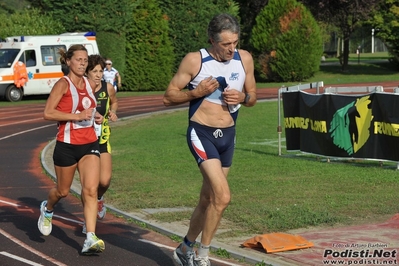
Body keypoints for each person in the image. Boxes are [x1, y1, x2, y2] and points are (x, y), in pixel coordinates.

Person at [163, 13, 257, 266]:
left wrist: (243, 99)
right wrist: (195, 92)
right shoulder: (196, 60)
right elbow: (168, 96)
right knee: (223, 197)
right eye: (226, 44)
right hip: (201, 133)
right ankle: (204, 255)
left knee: (208, 199)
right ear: (212, 41)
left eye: (235, 42)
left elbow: (253, 96)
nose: (231, 48)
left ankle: (185, 248)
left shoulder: (244, 58)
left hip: (228, 135)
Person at [38, 44, 105, 255]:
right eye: (78, 59)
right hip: (66, 146)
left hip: (89, 144)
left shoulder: (90, 83)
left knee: (91, 190)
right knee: (63, 191)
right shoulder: (63, 84)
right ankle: (47, 209)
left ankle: (90, 237)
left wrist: (96, 116)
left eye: (85, 60)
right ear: (68, 61)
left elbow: (89, 107)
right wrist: (77, 116)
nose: (83, 63)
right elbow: (48, 113)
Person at [85, 54, 118, 223]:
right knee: (89, 184)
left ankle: (98, 199)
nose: (98, 75)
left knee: (104, 181)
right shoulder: (81, 89)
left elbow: (114, 102)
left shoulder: (108, 88)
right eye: (94, 71)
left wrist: (112, 112)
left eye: (101, 71)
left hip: (102, 139)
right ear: (87, 72)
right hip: (83, 140)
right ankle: (87, 223)